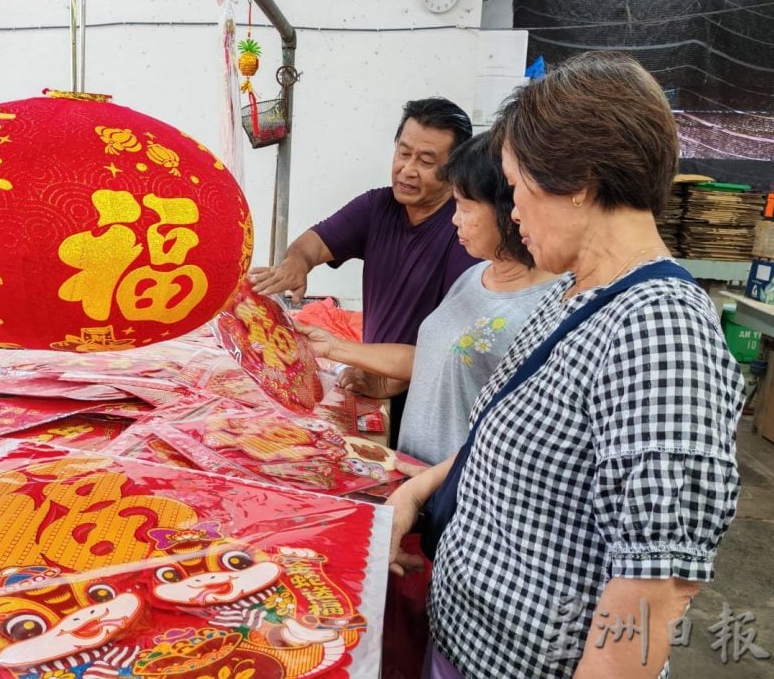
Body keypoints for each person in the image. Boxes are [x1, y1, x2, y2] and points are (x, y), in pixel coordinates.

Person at [387, 51, 744, 679]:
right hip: (466, 643)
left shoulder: (659, 327)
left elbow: (653, 589)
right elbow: (513, 439)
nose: (513, 210)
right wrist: (416, 490)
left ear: (576, 179)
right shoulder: (569, 293)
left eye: (518, 185)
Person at [298, 131, 556, 466]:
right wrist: (333, 347)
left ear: (509, 210)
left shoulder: (546, 308)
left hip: (459, 495)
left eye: (464, 207)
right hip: (416, 477)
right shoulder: (474, 278)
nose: (454, 219)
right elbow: (434, 356)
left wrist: (431, 484)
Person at [249, 97, 479, 447]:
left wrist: (352, 357)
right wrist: (296, 263)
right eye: (403, 153)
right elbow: (314, 242)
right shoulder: (378, 206)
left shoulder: (462, 231)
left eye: (426, 161)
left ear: (455, 169)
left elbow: (449, 351)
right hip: (375, 384)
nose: (407, 169)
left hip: (431, 399)